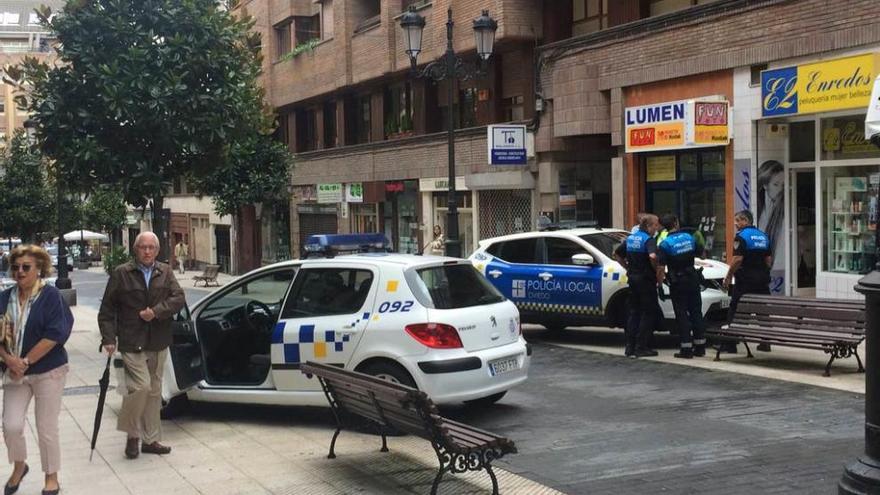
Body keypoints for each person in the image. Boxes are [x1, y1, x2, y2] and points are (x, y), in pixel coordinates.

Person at [98, 232, 185, 459]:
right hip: (131, 340)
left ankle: (150, 439)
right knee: (141, 387)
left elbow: (178, 298)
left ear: (157, 251)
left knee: (155, 392)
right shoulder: (121, 273)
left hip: (158, 340)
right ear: (135, 250)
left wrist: (155, 312)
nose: (147, 251)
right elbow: (107, 309)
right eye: (143, 247)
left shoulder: (164, 271)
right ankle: (132, 434)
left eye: (151, 248)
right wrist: (108, 338)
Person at [0, 245, 73, 495]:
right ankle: (20, 466)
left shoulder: (51, 296)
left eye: (26, 267)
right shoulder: (4, 298)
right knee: (10, 425)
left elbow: (55, 334)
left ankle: (51, 476)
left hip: (47, 371)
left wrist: (25, 361)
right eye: (16, 267)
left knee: (46, 427)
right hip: (14, 372)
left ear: (39, 269)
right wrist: (10, 360)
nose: (20, 272)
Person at [656, 215, 706, 359]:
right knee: (696, 311)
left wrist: (660, 285)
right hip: (693, 278)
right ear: (676, 223)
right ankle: (700, 347)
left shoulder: (665, 244)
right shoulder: (689, 237)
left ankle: (686, 349)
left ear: (664, 227)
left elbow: (660, 268)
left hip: (677, 281)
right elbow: (702, 255)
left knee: (682, 314)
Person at [723, 210, 773, 353]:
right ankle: (766, 342)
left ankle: (731, 344)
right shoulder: (764, 236)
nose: (736, 224)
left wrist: (728, 276)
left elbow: (738, 260)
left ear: (745, 220)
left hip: (745, 280)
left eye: (738, 221)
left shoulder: (741, 237)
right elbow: (768, 260)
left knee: (735, 309)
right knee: (762, 311)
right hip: (762, 280)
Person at [614, 214, 661, 358]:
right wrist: (656, 269)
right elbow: (653, 257)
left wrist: (627, 267)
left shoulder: (631, 238)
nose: (657, 228)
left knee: (634, 312)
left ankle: (630, 347)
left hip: (633, 279)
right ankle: (642, 346)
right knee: (648, 313)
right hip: (646, 280)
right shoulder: (649, 240)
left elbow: (617, 254)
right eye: (655, 225)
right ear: (648, 226)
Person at [757, 160, 785, 278]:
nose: (780, 189)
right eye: (776, 184)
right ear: (765, 185)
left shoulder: (784, 214)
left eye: (783, 185)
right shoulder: (760, 210)